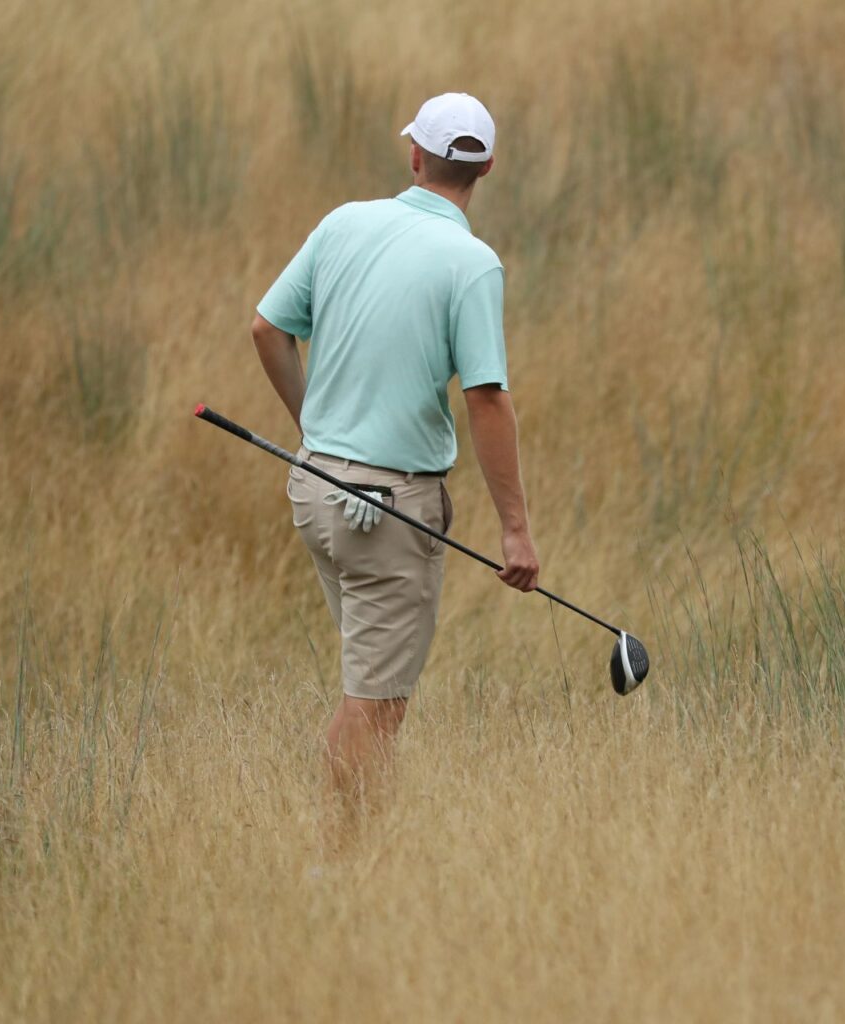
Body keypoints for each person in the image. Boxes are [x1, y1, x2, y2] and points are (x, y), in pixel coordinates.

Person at [250, 92, 539, 803]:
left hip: (316, 492)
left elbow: (267, 329)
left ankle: (349, 856)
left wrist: (314, 432)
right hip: (387, 512)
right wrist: (515, 530)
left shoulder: (344, 223)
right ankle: (336, 873)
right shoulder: (472, 263)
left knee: (375, 694)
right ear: (488, 168)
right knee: (375, 708)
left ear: (415, 155)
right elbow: (487, 398)